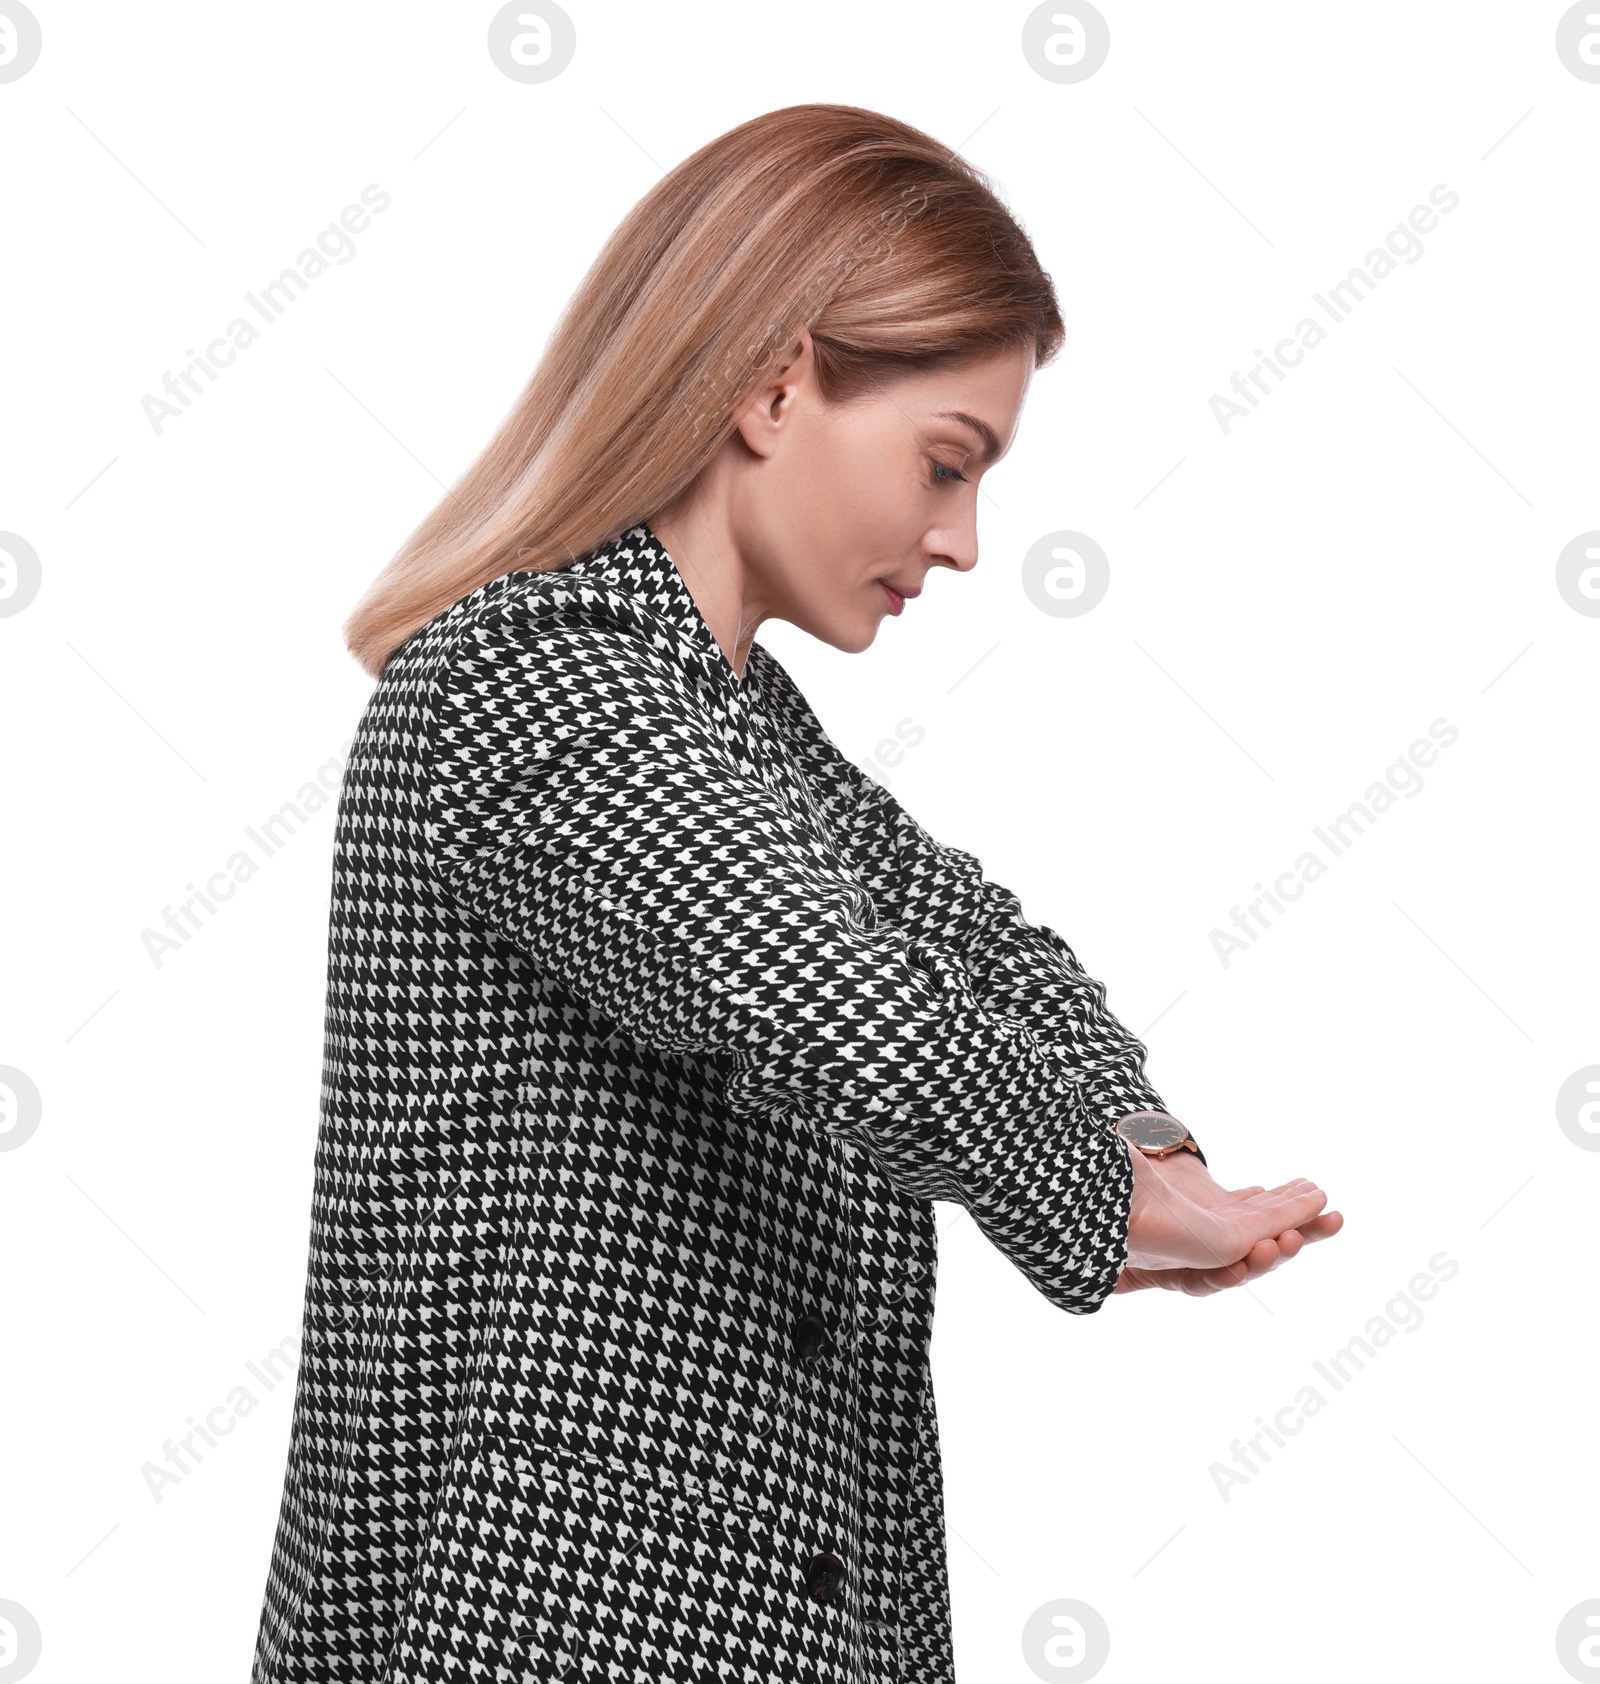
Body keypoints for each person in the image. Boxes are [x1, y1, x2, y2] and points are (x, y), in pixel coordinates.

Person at [251, 102, 1340, 1684]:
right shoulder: (531, 687)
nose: (964, 541)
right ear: (773, 386)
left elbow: (977, 938)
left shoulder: (730, 719)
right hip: (541, 1631)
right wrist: (1109, 1210)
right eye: (945, 464)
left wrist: (1139, 1139)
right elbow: (858, 1011)